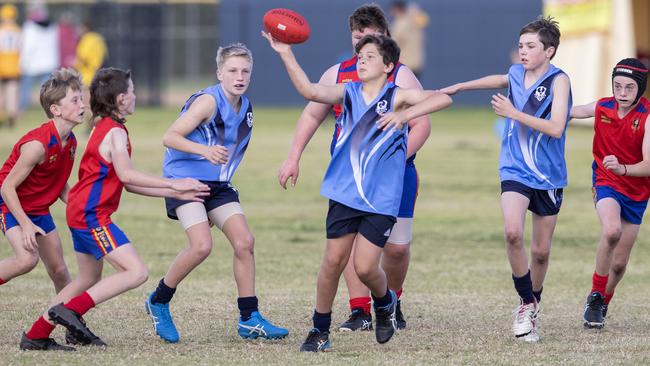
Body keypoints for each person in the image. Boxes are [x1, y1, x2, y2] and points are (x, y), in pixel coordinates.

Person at [264, 31, 452, 351]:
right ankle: (319, 330)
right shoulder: (348, 92)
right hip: (344, 192)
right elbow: (308, 90)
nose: (361, 62)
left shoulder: (397, 96)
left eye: (369, 58)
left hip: (381, 197)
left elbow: (443, 98)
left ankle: (384, 302)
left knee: (366, 267)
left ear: (388, 66)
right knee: (332, 261)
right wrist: (284, 53)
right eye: (359, 57)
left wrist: (404, 115)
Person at [19, 67, 209, 351]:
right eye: (131, 91)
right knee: (136, 272)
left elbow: (128, 184)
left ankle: (35, 334)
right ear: (121, 98)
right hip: (90, 215)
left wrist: (174, 189)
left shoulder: (104, 126)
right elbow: (129, 175)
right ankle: (71, 311)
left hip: (81, 210)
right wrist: (176, 184)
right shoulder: (115, 133)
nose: (134, 96)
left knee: (88, 278)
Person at [144, 43, 288, 344]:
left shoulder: (245, 106)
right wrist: (204, 151)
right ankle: (158, 300)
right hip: (184, 181)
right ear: (219, 72)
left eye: (245, 71)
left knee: (245, 242)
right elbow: (169, 137)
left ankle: (249, 318)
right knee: (201, 247)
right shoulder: (208, 102)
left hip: (217, 186)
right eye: (233, 70)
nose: (240, 76)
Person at [440, 16, 571, 342]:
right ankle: (526, 302)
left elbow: (556, 128)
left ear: (549, 51)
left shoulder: (559, 81)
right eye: (521, 45)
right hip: (514, 169)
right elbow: (499, 78)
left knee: (540, 252)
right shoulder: (515, 74)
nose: (523, 52)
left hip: (548, 175)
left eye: (531, 46)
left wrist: (514, 113)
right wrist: (460, 86)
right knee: (513, 233)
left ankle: (533, 304)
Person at [571, 58, 650, 329]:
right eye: (617, 86)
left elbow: (649, 164)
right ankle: (595, 295)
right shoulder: (603, 105)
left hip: (637, 191)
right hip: (606, 181)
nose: (622, 93)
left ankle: (604, 300)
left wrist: (624, 168)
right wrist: (538, 109)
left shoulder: (648, 116)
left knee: (619, 264)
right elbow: (572, 111)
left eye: (629, 87)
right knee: (611, 230)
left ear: (640, 89)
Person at [0, 68, 83, 304]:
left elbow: (57, 182)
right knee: (27, 259)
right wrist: (26, 224)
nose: (82, 105)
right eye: (75, 100)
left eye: (82, 99)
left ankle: (70, 319)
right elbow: (7, 187)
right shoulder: (37, 145)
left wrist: (82, 204)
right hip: (8, 201)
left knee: (59, 270)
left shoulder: (70, 141)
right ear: (55, 109)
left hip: (37, 209)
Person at [19, 3, 59, 111]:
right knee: (47, 93)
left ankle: (22, 110)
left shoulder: (29, 27)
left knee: (25, 89)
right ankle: (49, 110)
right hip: (49, 62)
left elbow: (28, 47)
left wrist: (23, 63)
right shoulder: (52, 26)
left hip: (32, 64)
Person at [389, 1, 428, 79]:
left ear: (396, 9)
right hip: (417, 63)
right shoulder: (415, 22)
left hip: (405, 64)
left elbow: (392, 45)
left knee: (404, 89)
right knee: (416, 89)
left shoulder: (399, 25)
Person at [0, 4, 21, 128]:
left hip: (1, 65)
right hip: (14, 66)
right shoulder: (18, 31)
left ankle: (1, 116)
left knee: (1, 94)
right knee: (12, 93)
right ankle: (12, 114)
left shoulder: (1, 30)